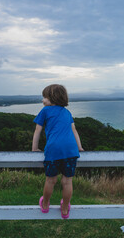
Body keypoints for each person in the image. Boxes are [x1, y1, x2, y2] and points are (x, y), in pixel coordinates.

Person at [32, 84, 84, 219]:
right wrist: (79, 147)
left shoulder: (45, 111)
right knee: (67, 181)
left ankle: (45, 205)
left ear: (52, 98)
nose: (43, 100)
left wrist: (34, 148)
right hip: (71, 150)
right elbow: (74, 131)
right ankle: (65, 209)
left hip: (53, 150)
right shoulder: (67, 113)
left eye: (44, 97)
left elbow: (38, 130)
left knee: (50, 180)